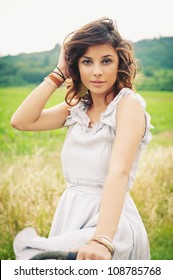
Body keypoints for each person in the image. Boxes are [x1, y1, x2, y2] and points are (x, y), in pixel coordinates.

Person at [11, 17, 153, 260]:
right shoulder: (77, 108)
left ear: (119, 63)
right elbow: (22, 121)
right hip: (71, 212)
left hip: (109, 221)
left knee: (35, 256)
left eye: (106, 61)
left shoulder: (128, 105)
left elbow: (118, 171)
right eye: (87, 61)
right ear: (76, 66)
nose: (96, 71)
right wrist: (58, 74)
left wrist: (101, 239)